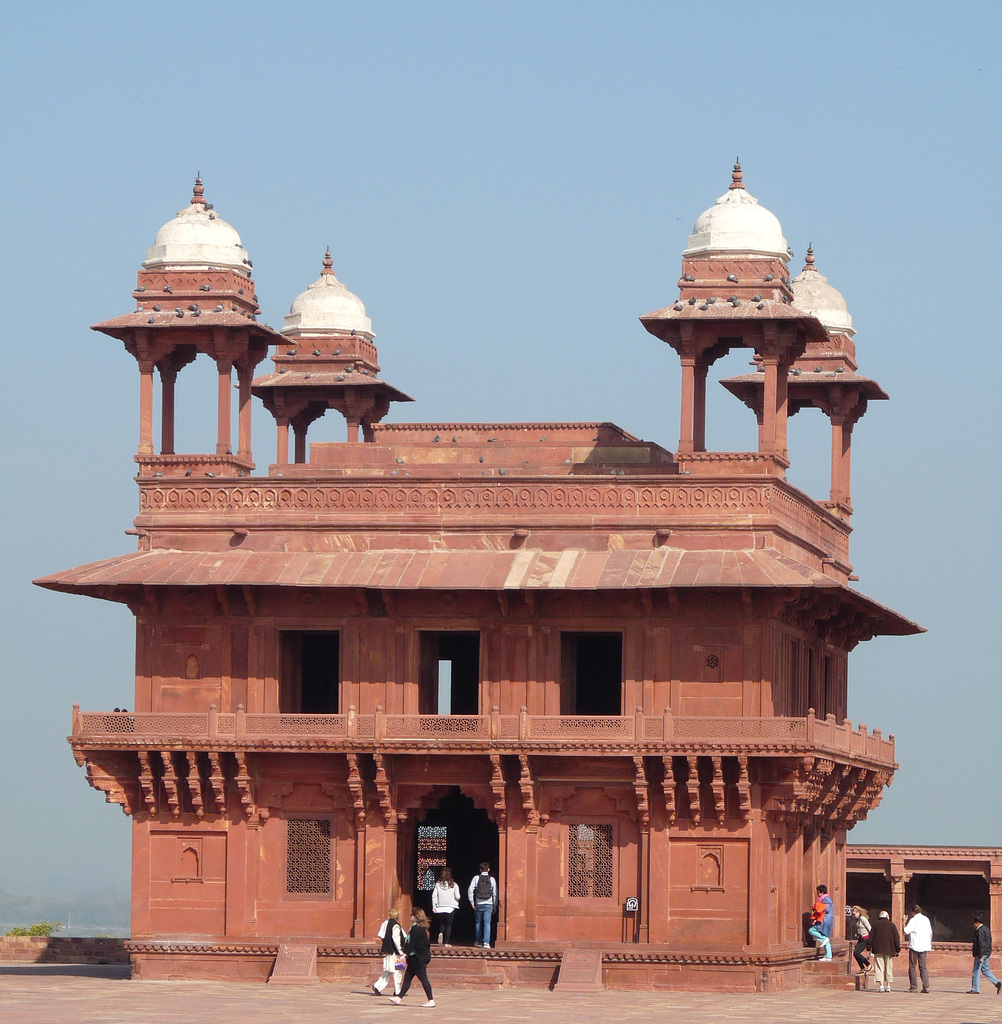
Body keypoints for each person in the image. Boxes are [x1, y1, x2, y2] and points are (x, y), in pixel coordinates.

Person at [390, 907, 435, 1007]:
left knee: (423, 979)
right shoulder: (420, 928)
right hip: (415, 958)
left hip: (418, 958)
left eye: (412, 915)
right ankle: (398, 998)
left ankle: (431, 1000)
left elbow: (412, 944)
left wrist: (404, 954)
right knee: (408, 977)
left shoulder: (416, 929)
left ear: (416, 917)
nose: (410, 916)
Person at [372, 907, 405, 997]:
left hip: (389, 951)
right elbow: (397, 940)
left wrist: (386, 944)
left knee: (390, 971)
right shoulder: (396, 926)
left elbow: (381, 935)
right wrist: (401, 951)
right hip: (395, 953)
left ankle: (378, 986)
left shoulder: (385, 923)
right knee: (397, 972)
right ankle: (397, 991)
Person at [968, 913, 1002, 995]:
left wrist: (980, 956)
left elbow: (981, 944)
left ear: (977, 923)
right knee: (985, 970)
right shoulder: (986, 929)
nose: (973, 926)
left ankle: (975, 988)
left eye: (973, 924)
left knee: (976, 970)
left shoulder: (980, 931)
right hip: (987, 953)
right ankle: (997, 983)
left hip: (981, 954)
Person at [468, 861, 498, 948]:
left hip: (478, 903)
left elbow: (470, 890)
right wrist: (494, 905)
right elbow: (495, 893)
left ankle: (478, 941)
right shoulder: (492, 879)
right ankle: (486, 942)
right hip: (489, 904)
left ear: (480, 869)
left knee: (478, 922)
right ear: (488, 869)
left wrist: (472, 902)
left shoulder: (476, 878)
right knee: (487, 923)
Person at [869, 910, 901, 992]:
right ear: (887, 916)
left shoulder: (875, 924)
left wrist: (869, 948)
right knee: (889, 967)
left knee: (879, 967)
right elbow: (896, 938)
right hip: (889, 949)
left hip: (878, 949)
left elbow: (870, 937)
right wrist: (898, 950)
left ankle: (881, 986)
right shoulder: (892, 925)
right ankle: (888, 986)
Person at [903, 903, 932, 993]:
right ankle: (926, 986)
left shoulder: (913, 920)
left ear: (912, 912)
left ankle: (913, 986)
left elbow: (905, 931)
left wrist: (904, 922)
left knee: (912, 966)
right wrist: (928, 944)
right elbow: (931, 933)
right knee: (923, 967)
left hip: (915, 945)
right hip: (924, 945)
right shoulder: (926, 919)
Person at [432, 867, 461, 946]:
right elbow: (458, 896)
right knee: (449, 925)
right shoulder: (454, 885)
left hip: (440, 908)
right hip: (450, 908)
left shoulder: (437, 884)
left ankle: (441, 932)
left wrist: (434, 906)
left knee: (442, 924)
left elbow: (434, 895)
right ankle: (446, 942)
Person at [807, 884, 834, 961]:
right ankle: (828, 956)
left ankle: (823, 939)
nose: (817, 894)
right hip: (826, 920)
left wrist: (816, 909)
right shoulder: (827, 899)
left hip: (824, 920)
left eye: (818, 892)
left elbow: (825, 909)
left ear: (822, 892)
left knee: (811, 930)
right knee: (826, 938)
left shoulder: (826, 900)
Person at [850, 905, 872, 974]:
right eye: (852, 914)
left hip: (865, 938)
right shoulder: (857, 920)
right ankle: (862, 968)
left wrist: (871, 940)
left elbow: (869, 928)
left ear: (858, 912)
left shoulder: (862, 918)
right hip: (860, 938)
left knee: (857, 953)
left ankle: (869, 965)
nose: (854, 915)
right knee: (855, 954)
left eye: (854, 914)